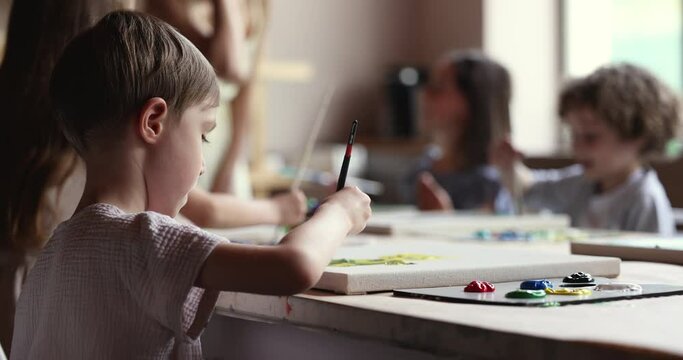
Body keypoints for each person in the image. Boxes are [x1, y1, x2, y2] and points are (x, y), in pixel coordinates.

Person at [11, 11, 371, 358]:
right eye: (204, 135)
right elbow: (293, 265)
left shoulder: (53, 253)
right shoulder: (143, 240)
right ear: (153, 122)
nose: (202, 166)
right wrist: (339, 212)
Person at [491, 63, 680, 235]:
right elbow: (531, 188)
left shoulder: (646, 201)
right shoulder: (583, 183)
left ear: (637, 136)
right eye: (573, 135)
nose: (576, 146)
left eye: (591, 137)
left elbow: (657, 267)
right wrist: (509, 168)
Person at [405, 50, 513, 213]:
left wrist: (445, 218)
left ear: (471, 102)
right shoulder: (420, 170)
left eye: (438, 88)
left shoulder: (488, 185)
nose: (425, 94)